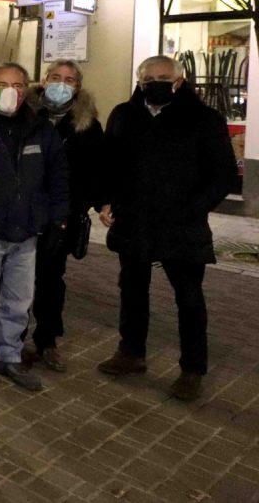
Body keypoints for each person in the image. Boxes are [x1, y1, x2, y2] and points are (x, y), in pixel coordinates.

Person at [98, 55, 235, 401]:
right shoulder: (124, 115)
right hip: (134, 222)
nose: (155, 82)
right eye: (148, 77)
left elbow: (222, 175)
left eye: (163, 77)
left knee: (189, 298)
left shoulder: (204, 119)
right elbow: (109, 164)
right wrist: (106, 201)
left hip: (182, 226)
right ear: (139, 80)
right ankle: (131, 353)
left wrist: (194, 210)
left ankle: (192, 369)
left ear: (179, 80)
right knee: (131, 290)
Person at [0, 63, 68, 392]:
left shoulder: (41, 130)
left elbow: (58, 176)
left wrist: (57, 217)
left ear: (27, 89)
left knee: (18, 299)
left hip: (26, 231)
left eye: (17, 84)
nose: (10, 90)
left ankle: (10, 355)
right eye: (1, 83)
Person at [25, 59, 105, 372]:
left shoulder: (87, 125)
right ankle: (11, 339)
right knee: (15, 280)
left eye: (69, 79)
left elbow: (96, 172)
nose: (61, 83)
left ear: (78, 86)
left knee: (50, 280)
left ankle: (46, 340)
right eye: (55, 77)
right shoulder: (25, 115)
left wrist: (93, 204)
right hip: (23, 212)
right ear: (43, 80)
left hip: (60, 215)